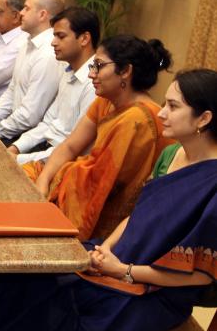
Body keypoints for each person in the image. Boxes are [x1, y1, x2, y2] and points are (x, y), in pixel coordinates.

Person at [0, 68, 217, 331]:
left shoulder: (213, 186)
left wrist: (123, 271)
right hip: (118, 257)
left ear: (204, 119)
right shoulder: (171, 155)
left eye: (173, 106)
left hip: (154, 291)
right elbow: (137, 215)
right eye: (165, 103)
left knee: (57, 302)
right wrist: (106, 249)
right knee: (28, 273)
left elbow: (200, 277)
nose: (162, 113)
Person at [23, 34, 173, 240]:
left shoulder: (138, 118)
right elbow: (70, 147)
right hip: (78, 185)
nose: (91, 74)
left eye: (99, 66)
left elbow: (100, 181)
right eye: (92, 66)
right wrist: (44, 180)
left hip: (111, 217)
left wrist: (57, 179)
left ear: (126, 71)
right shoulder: (106, 101)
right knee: (23, 177)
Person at [8, 6, 99, 164]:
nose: (53, 42)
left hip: (61, 162)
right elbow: (49, 122)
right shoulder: (67, 69)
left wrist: (19, 159)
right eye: (54, 35)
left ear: (84, 39)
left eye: (60, 36)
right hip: (44, 150)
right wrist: (16, 147)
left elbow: (74, 149)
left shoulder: (95, 84)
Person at [0, 0, 65, 143]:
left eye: (26, 8)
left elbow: (30, 115)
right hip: (13, 127)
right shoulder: (28, 42)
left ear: (42, 15)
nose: (21, 12)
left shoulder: (49, 52)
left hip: (32, 138)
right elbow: (12, 90)